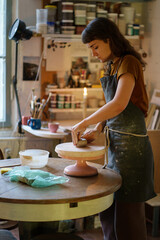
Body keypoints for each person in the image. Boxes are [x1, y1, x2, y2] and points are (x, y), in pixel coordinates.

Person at [71, 17, 156, 240]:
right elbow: (115, 110)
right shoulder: (112, 66)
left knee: (128, 219)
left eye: (95, 47)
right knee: (108, 211)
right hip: (116, 149)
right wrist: (98, 128)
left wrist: (84, 122)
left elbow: (119, 103)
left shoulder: (129, 62)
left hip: (133, 152)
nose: (93, 54)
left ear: (109, 40)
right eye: (90, 49)